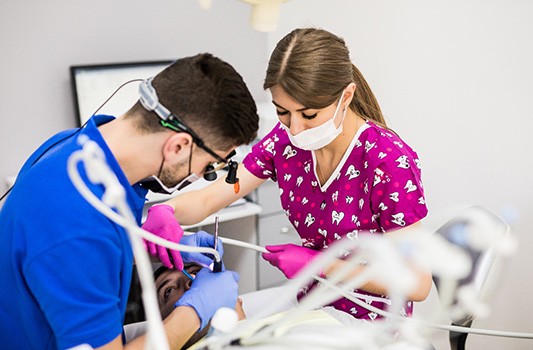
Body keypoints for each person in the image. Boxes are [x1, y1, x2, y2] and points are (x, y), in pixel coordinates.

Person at [142, 28, 432, 321]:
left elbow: (418, 284)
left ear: (346, 96)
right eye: (282, 112)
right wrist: (168, 209)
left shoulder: (388, 161)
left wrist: (320, 265)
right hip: (313, 302)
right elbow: (211, 197)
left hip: (371, 323)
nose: (294, 129)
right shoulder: (285, 142)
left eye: (309, 115)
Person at [0, 53, 259, 349]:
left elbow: (74, 263)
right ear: (178, 146)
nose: (203, 176)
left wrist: (146, 248)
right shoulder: (77, 223)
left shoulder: (79, 148)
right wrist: (194, 312)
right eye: (210, 165)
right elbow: (79, 245)